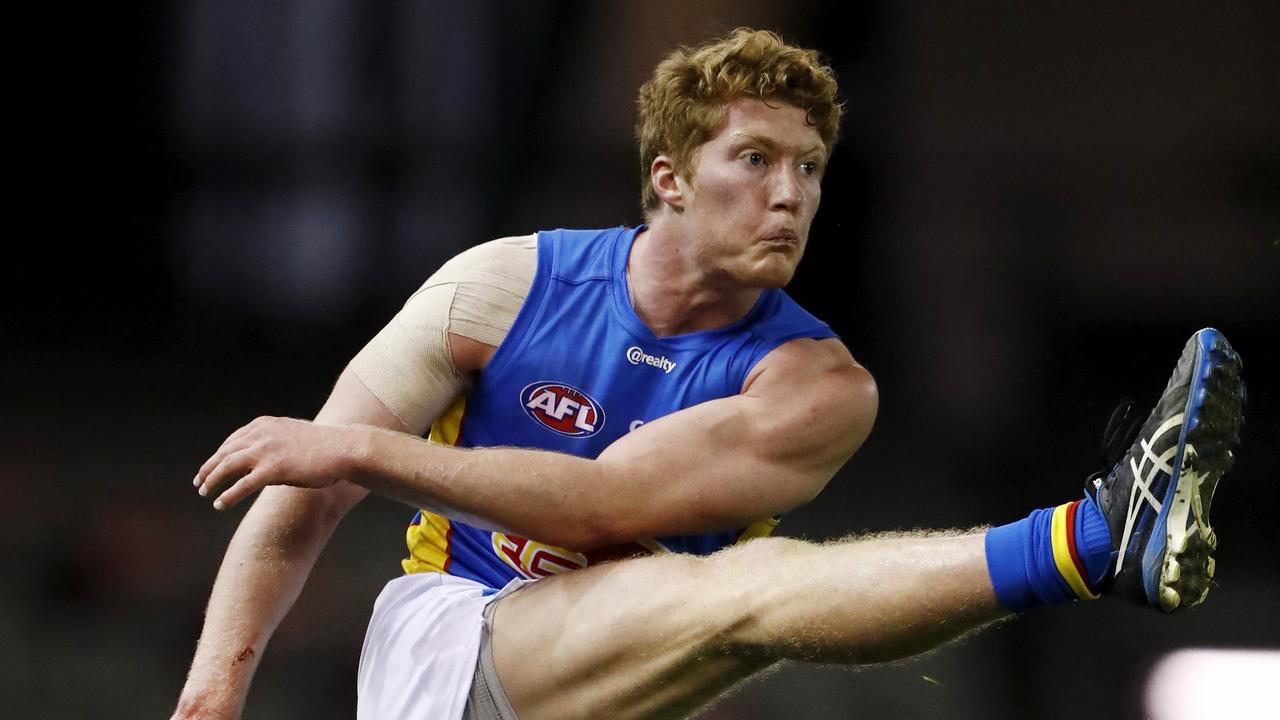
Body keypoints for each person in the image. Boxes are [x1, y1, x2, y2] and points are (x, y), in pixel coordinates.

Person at [172, 28, 1246, 720]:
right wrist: (209, 703)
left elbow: (602, 504)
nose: (791, 196)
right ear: (669, 179)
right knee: (733, 596)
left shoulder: (818, 387)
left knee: (723, 605)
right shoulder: (497, 289)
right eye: (756, 160)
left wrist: (359, 445)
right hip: (454, 655)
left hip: (628, 682)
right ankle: (1096, 539)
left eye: (811, 169)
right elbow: (301, 503)